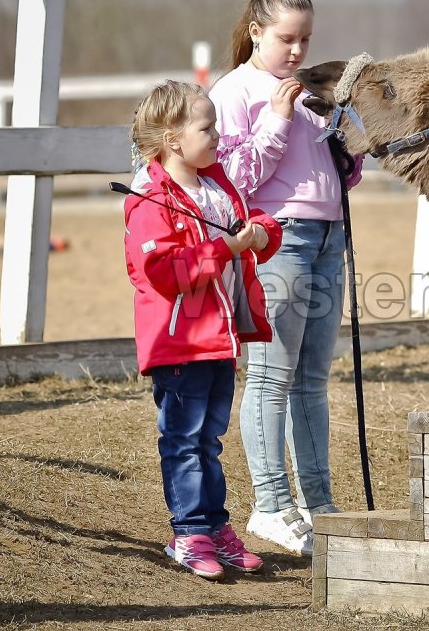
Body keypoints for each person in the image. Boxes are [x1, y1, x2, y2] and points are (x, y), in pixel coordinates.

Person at [209, 0, 364, 556]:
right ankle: (271, 504)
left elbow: (335, 176)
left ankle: (319, 505)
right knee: (272, 377)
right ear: (256, 32)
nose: (298, 50)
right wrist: (276, 120)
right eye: (286, 38)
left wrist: (348, 149)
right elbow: (232, 180)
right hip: (277, 237)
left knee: (311, 379)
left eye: (306, 39)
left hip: (328, 236)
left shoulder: (309, 90)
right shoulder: (235, 91)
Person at [124, 80, 283, 579]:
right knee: (184, 440)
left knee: (209, 440)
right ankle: (189, 533)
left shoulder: (215, 186)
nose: (218, 136)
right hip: (180, 343)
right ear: (173, 139)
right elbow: (166, 271)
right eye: (207, 128)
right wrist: (227, 248)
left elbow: (252, 221)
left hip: (220, 339)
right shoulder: (150, 198)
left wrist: (262, 233)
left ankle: (216, 529)